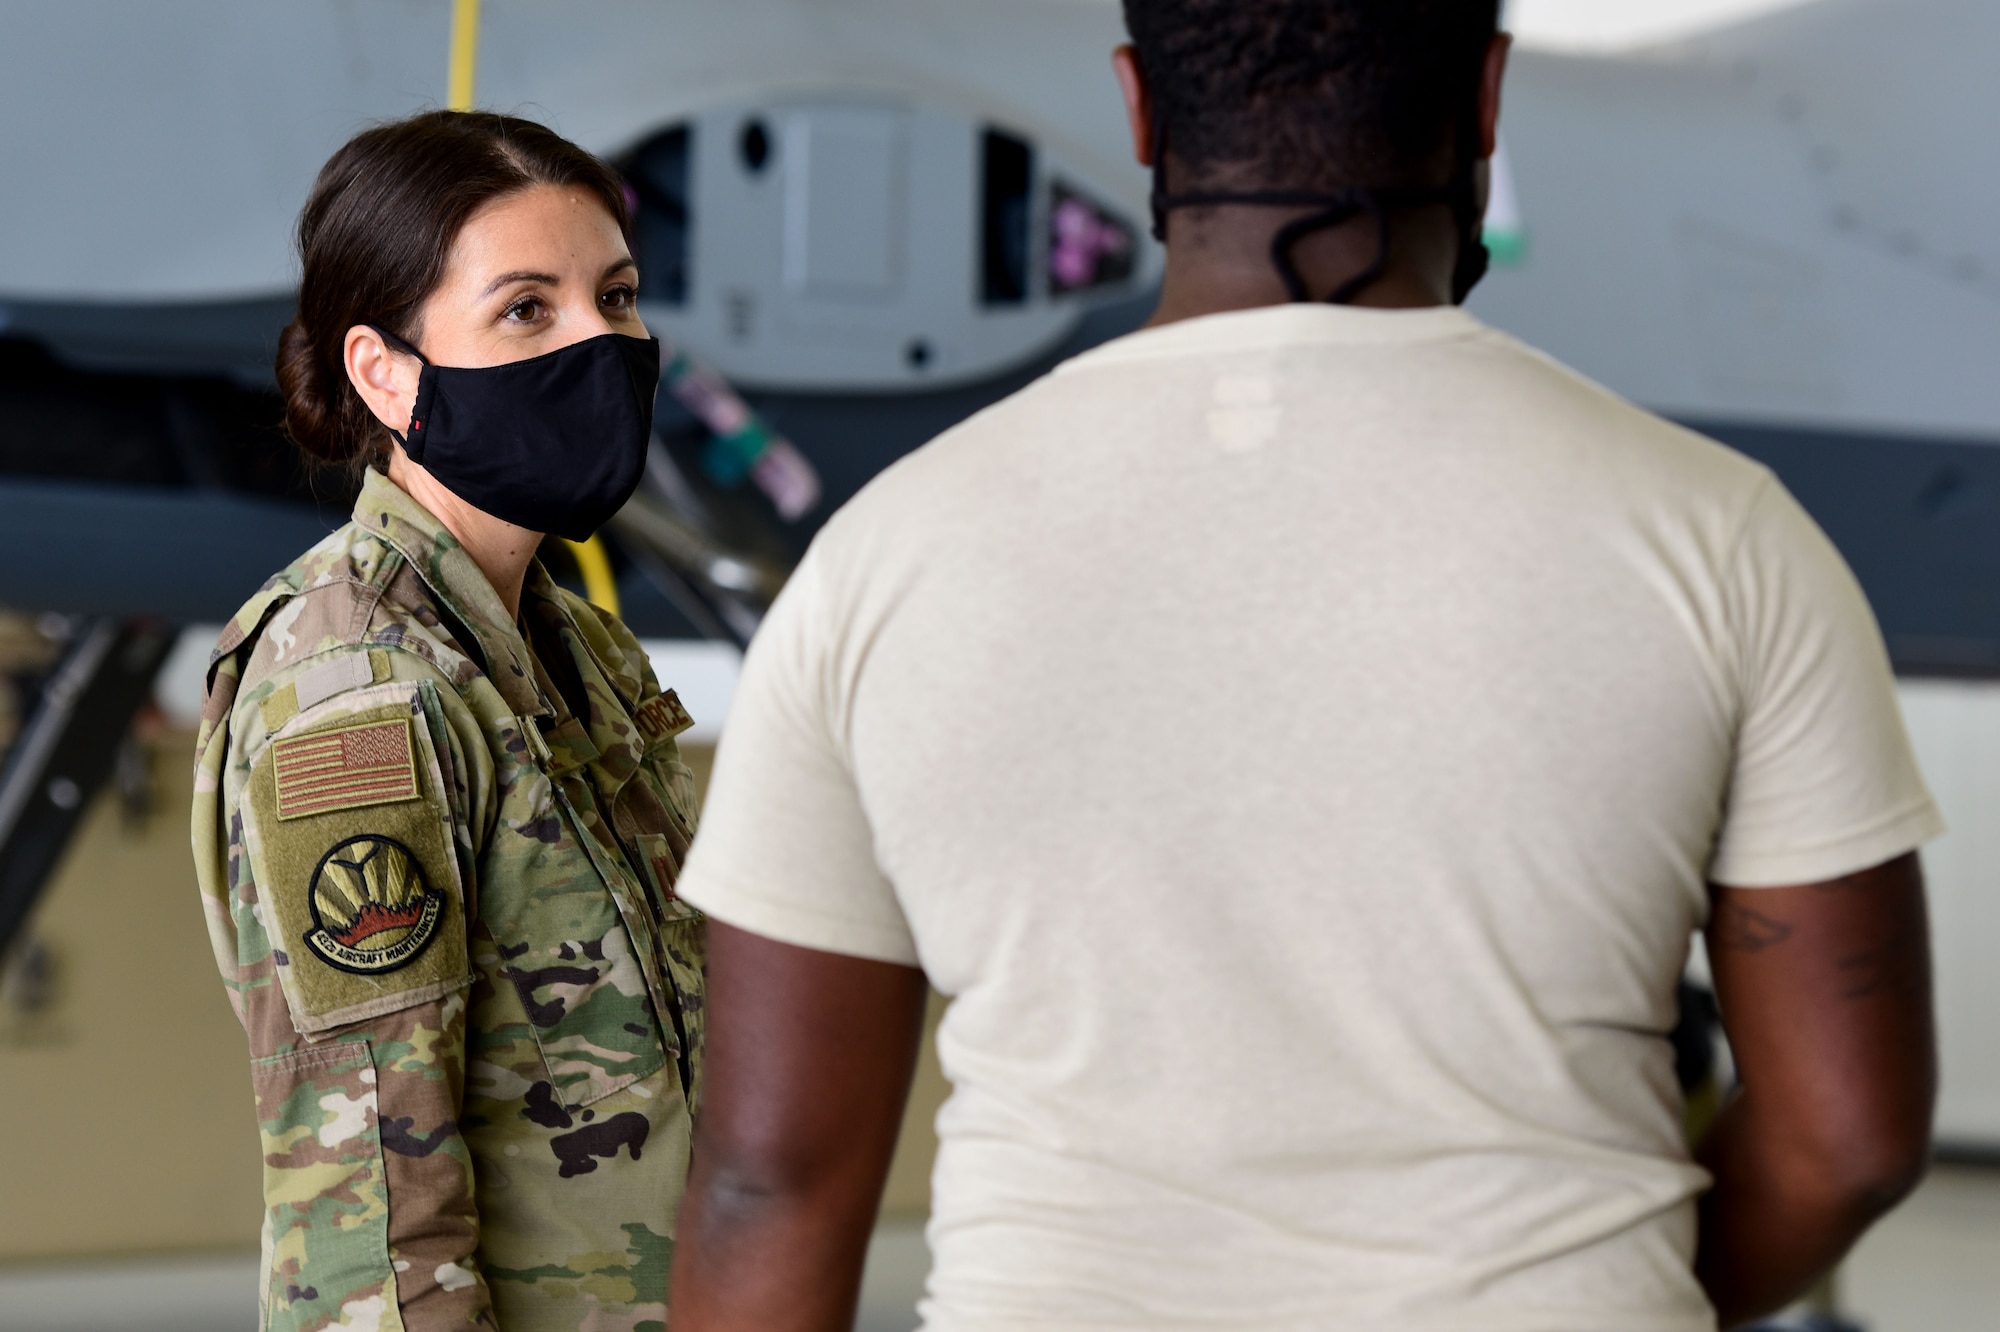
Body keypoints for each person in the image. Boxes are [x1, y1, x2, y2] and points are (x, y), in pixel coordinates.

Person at [665, 2, 1943, 1329]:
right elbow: (1844, 1139)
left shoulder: (883, 560)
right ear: (1489, 105)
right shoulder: (1725, 536)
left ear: (1141, 110)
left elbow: (773, 1174)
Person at [190, 111, 705, 1331]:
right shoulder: (355, 687)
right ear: (386, 371)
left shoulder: (574, 646)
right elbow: (370, 1199)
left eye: (616, 297)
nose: (602, 341)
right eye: (527, 308)